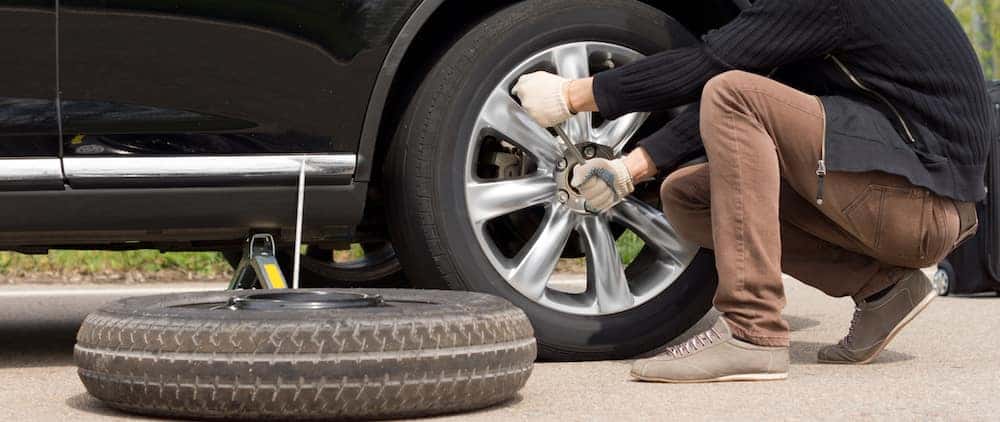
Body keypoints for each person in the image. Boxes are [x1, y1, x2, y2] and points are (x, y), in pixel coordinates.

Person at [512, 0, 993, 383]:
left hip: (922, 202)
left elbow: (712, 72)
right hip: (903, 190)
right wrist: (628, 170)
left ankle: (752, 331)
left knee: (732, 92)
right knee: (687, 195)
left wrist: (573, 95)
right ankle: (882, 287)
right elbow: (762, 83)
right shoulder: (817, 23)